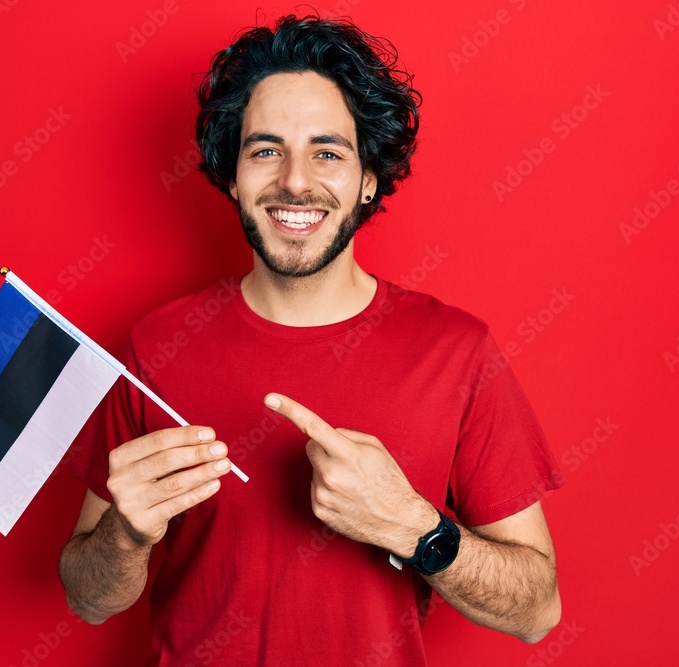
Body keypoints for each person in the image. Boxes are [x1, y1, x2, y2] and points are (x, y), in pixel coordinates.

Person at [59, 14, 564, 665]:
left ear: (368, 179)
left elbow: (537, 611)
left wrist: (417, 528)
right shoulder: (156, 344)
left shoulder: (457, 352)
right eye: (265, 150)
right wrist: (125, 537)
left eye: (328, 152)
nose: (295, 180)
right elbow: (87, 596)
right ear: (233, 176)